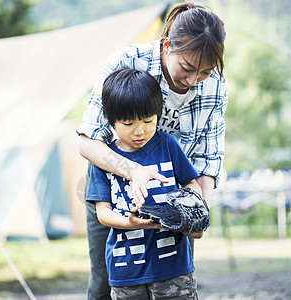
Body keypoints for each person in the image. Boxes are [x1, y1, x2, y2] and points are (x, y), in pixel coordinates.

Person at [77, 2, 227, 299]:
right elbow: (87, 140)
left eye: (205, 72)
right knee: (104, 283)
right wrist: (134, 172)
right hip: (115, 195)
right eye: (186, 67)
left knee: (174, 284)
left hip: (174, 204)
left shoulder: (215, 86)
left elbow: (207, 160)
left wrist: (199, 211)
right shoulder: (128, 61)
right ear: (168, 45)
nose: (193, 79)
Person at [86, 67, 204, 299]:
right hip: (126, 269)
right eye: (128, 124)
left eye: (148, 121)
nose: (140, 131)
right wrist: (129, 222)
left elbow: (192, 183)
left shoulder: (168, 145)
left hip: (173, 267)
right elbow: (103, 213)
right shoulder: (104, 159)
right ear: (111, 122)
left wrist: (191, 213)